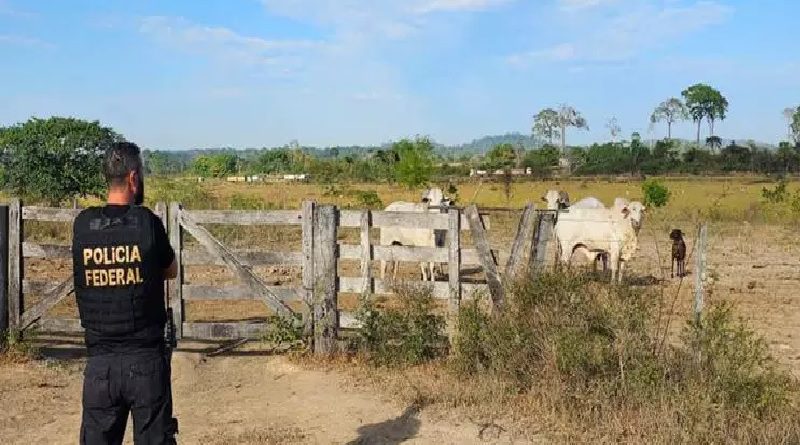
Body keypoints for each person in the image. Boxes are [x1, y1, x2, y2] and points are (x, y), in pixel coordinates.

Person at [71, 141, 178, 444]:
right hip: (146, 363)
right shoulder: (147, 223)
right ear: (133, 178)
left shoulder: (83, 225)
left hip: (99, 367)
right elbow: (171, 271)